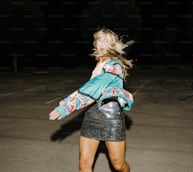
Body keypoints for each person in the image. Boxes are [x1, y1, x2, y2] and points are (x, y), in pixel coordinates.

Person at [49, 28, 135, 172]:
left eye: (107, 41)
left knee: (118, 165)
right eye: (100, 40)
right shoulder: (99, 63)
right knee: (84, 165)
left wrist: (66, 106)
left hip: (111, 116)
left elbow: (94, 88)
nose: (102, 44)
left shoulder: (114, 66)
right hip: (92, 114)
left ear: (113, 45)